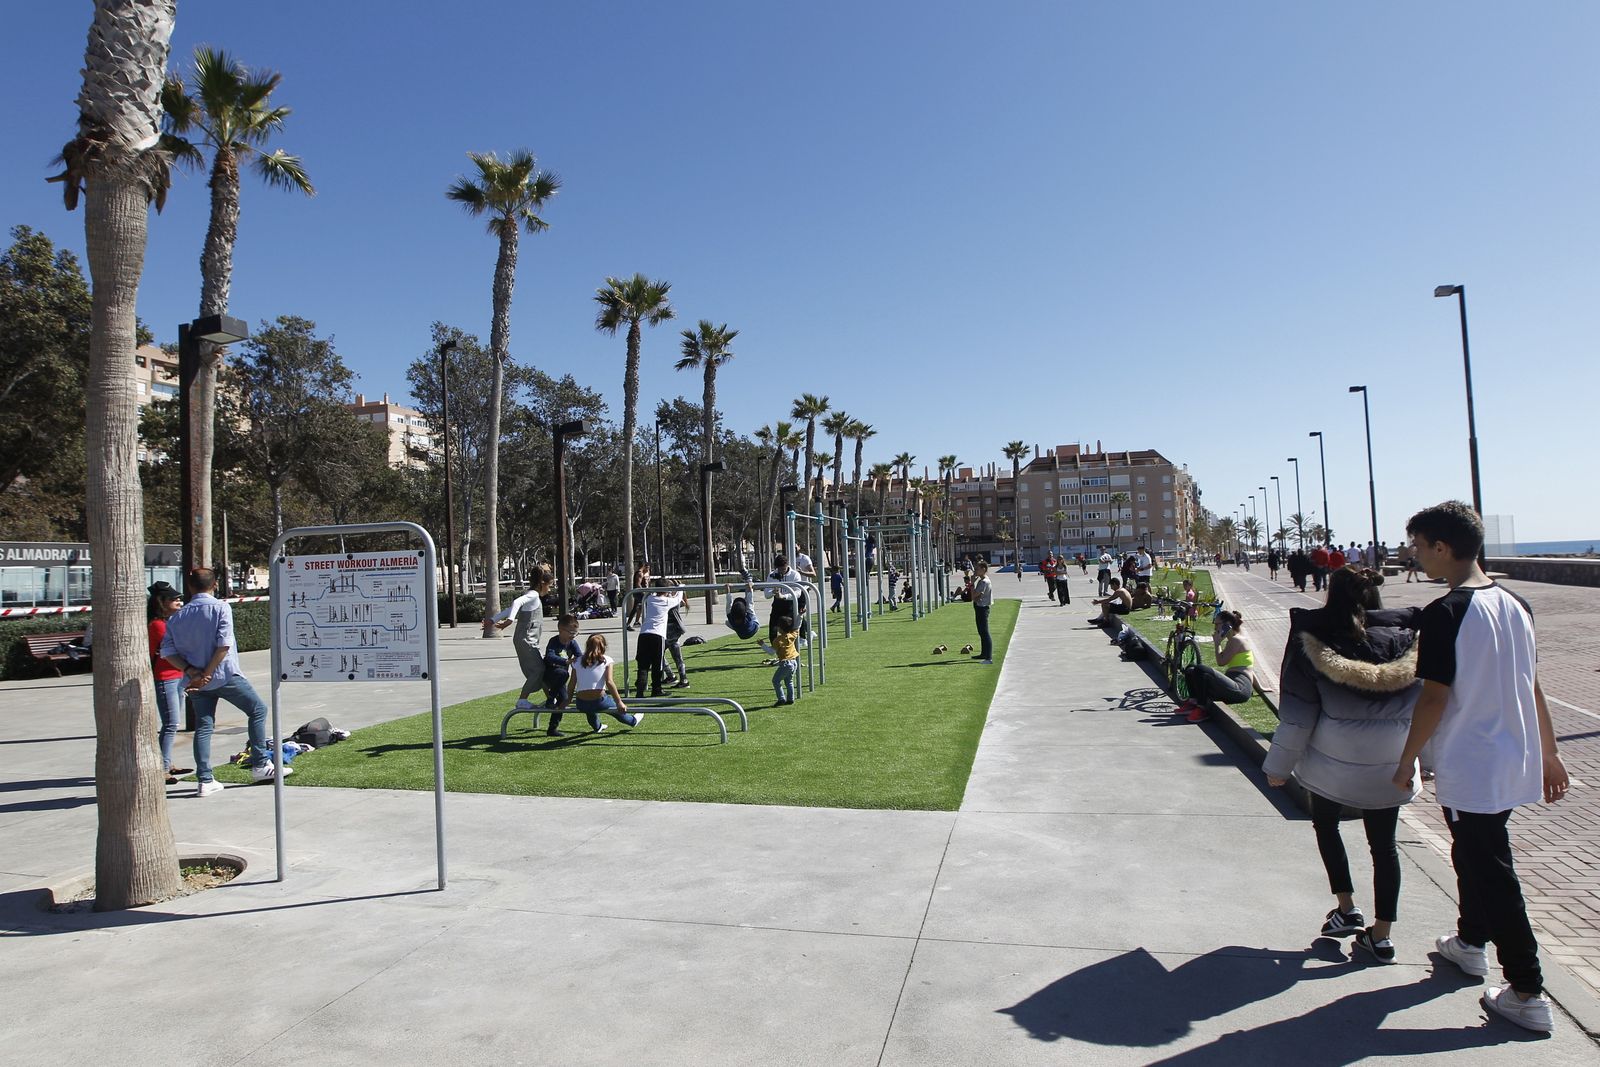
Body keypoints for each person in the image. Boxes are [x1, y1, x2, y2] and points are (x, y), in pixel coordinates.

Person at [1391, 501, 1568, 1033]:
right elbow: (1532, 684)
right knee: (1473, 855)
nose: (1415, 556)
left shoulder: (1445, 613)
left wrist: (1407, 760)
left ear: (1442, 547)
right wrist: (1550, 752)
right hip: (1512, 758)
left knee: (1492, 870)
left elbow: (1434, 698)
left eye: (1418, 546)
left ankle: (1527, 991)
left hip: (1473, 763)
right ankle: (1470, 942)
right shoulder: (1516, 604)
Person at [1263, 567, 1424, 965]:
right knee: (1385, 847)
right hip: (1391, 768)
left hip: (1332, 768)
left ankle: (1347, 907)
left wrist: (1278, 766)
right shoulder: (1411, 643)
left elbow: (1297, 716)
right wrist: (1429, 762)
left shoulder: (1313, 643)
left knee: (1326, 826)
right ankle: (1382, 937)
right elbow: (1430, 710)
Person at [160, 568, 279, 795]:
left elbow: (167, 652)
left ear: (190, 587)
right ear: (215, 585)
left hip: (195, 681)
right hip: (225, 675)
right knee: (258, 710)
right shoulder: (221, 607)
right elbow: (223, 645)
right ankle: (260, 764)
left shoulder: (177, 617)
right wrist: (208, 672)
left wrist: (192, 671)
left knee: (204, 727)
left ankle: (205, 779)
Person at [493, 564, 552, 715]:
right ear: (542, 583)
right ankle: (522, 700)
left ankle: (552, 699)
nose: (550, 589)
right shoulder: (533, 595)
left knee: (541, 669)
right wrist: (509, 621)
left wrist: (493, 619)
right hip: (526, 640)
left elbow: (511, 608)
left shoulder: (532, 596)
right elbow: (516, 603)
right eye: (549, 586)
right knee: (538, 669)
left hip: (527, 640)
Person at [1176, 609, 1254, 723]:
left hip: (1240, 689)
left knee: (1200, 669)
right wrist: (1262, 688)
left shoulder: (1237, 640)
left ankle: (1202, 709)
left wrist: (1217, 644)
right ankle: (1193, 702)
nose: (1215, 628)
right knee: (1190, 669)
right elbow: (1249, 667)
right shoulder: (1232, 640)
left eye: (1217, 624)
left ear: (1227, 625)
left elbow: (1221, 662)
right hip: (1232, 684)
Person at [147, 582, 191, 784]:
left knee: (173, 723)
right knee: (171, 723)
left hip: (177, 676)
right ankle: (162, 768)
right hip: (165, 678)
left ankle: (167, 762)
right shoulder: (157, 625)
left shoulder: (168, 623)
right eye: (174, 600)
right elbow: (178, 645)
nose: (179, 602)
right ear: (161, 602)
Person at [571, 634, 642, 732]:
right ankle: (632, 721)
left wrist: (568, 699)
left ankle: (597, 727)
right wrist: (619, 702)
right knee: (617, 711)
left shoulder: (577, 661)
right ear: (603, 646)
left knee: (590, 709)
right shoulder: (607, 660)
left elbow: (571, 684)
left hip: (581, 703)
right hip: (599, 702)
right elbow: (609, 682)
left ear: (587, 646)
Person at [541, 614, 591, 737]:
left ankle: (552, 728)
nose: (573, 636)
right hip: (550, 673)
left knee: (563, 699)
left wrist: (588, 661)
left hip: (561, 678)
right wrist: (566, 661)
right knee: (563, 674)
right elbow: (550, 656)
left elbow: (579, 655)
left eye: (576, 633)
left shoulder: (572, 643)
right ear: (560, 630)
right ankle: (550, 698)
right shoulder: (554, 641)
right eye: (571, 633)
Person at [634, 577, 683, 698]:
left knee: (643, 665)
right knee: (657, 664)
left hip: (643, 634)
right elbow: (678, 599)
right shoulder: (666, 601)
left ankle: (640, 691)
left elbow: (651, 593)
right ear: (666, 590)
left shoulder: (650, 598)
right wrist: (680, 587)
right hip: (657, 636)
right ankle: (656, 689)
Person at [770, 595, 801, 705]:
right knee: (789, 681)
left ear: (780, 628)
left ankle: (781, 699)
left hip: (785, 663)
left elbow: (771, 652)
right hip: (794, 662)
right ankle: (790, 698)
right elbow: (797, 625)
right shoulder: (792, 635)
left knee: (776, 681)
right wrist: (800, 616)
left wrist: (762, 645)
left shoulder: (778, 640)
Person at [663, 584, 691, 688]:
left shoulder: (672, 601)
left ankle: (678, 678)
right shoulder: (674, 600)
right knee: (675, 656)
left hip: (671, 631)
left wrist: (680, 588)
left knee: (659, 654)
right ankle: (675, 677)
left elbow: (678, 598)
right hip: (670, 631)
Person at [970, 559, 993, 664]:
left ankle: (988, 658)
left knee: (984, 632)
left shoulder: (984, 582)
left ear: (983, 569)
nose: (975, 571)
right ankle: (984, 654)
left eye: (977, 569)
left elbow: (973, 596)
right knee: (981, 632)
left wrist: (972, 584)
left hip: (982, 608)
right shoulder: (982, 580)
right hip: (980, 606)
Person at [624, 562, 650, 631]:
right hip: (639, 593)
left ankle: (630, 623)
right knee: (648, 606)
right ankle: (647, 623)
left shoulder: (641, 573)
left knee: (636, 608)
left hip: (638, 592)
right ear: (643, 566)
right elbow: (638, 584)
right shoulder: (639, 573)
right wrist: (644, 593)